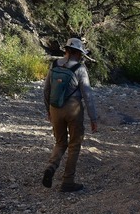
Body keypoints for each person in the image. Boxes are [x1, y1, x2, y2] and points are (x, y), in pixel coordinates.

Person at [42, 37, 98, 192]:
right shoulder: (80, 68)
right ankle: (68, 181)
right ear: (78, 53)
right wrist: (93, 118)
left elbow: (46, 90)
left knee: (60, 142)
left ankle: (51, 167)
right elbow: (87, 95)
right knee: (74, 145)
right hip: (73, 109)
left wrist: (48, 110)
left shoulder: (54, 65)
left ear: (66, 50)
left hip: (55, 108)